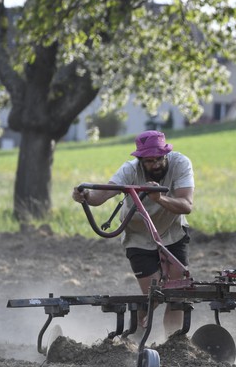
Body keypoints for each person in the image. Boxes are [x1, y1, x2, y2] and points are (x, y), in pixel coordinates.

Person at [72, 130, 195, 337]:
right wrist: (84, 195)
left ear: (166, 154)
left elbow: (186, 205)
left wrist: (160, 199)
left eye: (159, 159)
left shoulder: (180, 164)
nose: (155, 164)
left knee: (177, 295)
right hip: (138, 235)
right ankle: (134, 336)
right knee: (153, 295)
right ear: (140, 159)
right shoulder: (129, 170)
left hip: (172, 232)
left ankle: (174, 344)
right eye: (149, 161)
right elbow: (100, 196)